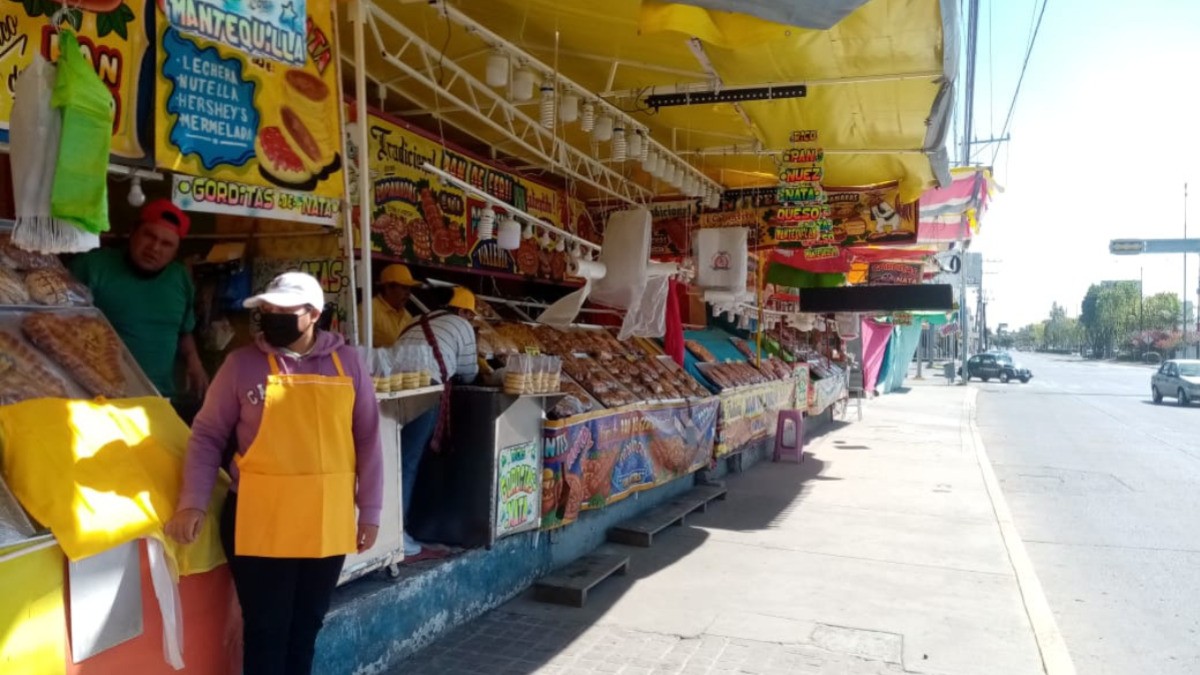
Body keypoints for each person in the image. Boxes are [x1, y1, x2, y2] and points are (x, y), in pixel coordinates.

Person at [165, 271, 383, 675]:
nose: (271, 318)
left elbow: (368, 438)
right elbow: (207, 436)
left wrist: (369, 510)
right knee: (267, 630)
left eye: (283, 311)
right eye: (266, 310)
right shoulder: (240, 365)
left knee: (307, 626)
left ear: (313, 314)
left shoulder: (348, 362)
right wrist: (192, 501)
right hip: (260, 518)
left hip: (325, 520)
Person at [70, 199, 209, 403]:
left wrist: (194, 361)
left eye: (167, 244)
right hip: (100, 396)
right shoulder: (92, 267)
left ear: (175, 251)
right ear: (133, 232)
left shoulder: (180, 278)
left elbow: (183, 330)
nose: (154, 248)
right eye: (149, 235)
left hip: (159, 397)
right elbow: (60, 323)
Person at [394, 285, 478, 558]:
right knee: (408, 462)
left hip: (393, 389)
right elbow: (469, 372)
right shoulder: (461, 326)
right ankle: (398, 534)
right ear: (463, 312)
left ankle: (398, 527)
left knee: (395, 460)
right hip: (425, 390)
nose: (471, 320)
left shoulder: (415, 320)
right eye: (471, 315)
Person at [359, 263, 421, 347]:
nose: (408, 293)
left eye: (409, 288)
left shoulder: (407, 317)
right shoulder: (367, 309)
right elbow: (359, 346)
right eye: (404, 288)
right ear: (388, 288)